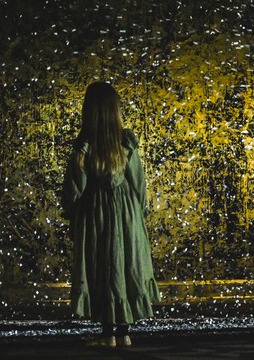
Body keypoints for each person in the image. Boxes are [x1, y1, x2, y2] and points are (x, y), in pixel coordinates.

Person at [62, 82, 161, 347]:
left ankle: (108, 333)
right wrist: (139, 216)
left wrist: (71, 213)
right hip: (126, 213)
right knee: (124, 265)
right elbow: (138, 184)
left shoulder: (85, 146)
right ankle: (123, 332)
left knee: (103, 266)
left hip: (96, 212)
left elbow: (76, 187)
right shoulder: (125, 143)